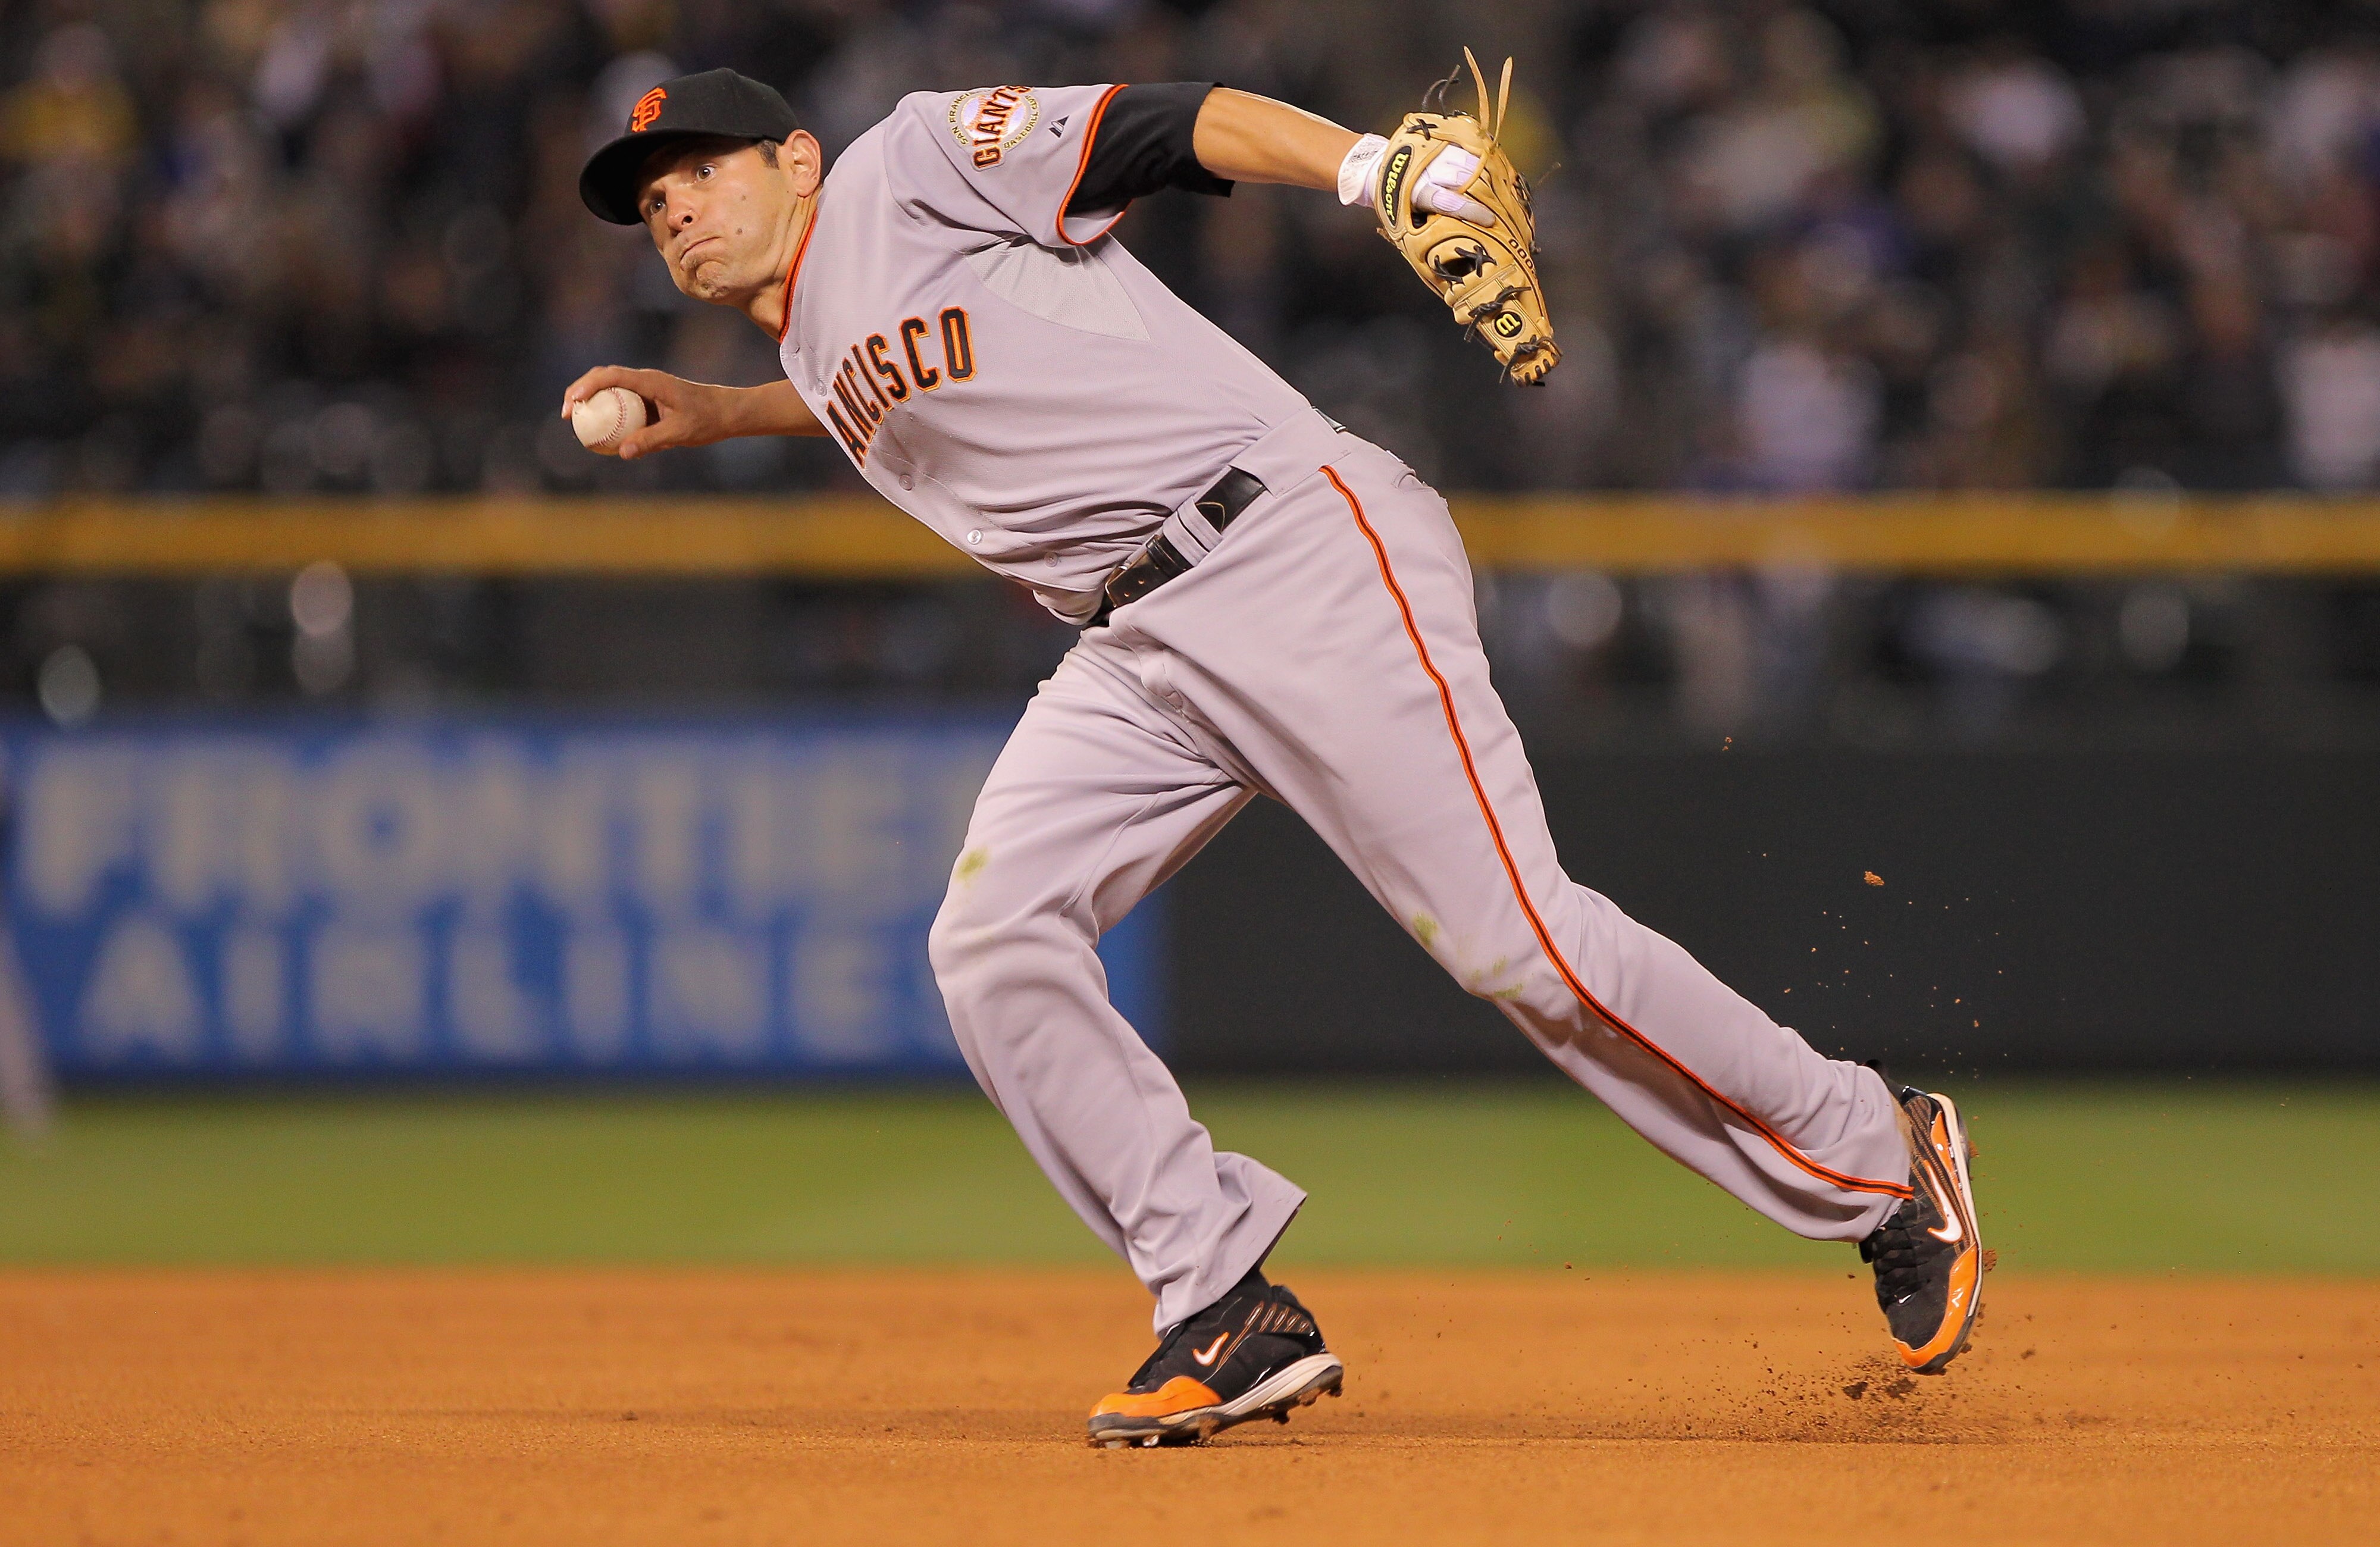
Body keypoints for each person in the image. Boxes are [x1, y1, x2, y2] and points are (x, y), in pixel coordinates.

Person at [565, 67, 1984, 1448]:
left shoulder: (907, 160)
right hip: (1136, 646)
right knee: (990, 939)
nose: (674, 204)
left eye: (700, 168)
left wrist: (1374, 169)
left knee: (1513, 946)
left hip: (1284, 544)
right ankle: (1223, 1301)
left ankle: (1876, 1157)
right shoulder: (810, 332)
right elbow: (897, 368)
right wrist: (721, 408)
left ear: (795, 159)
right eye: (650, 196)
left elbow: (1164, 127)